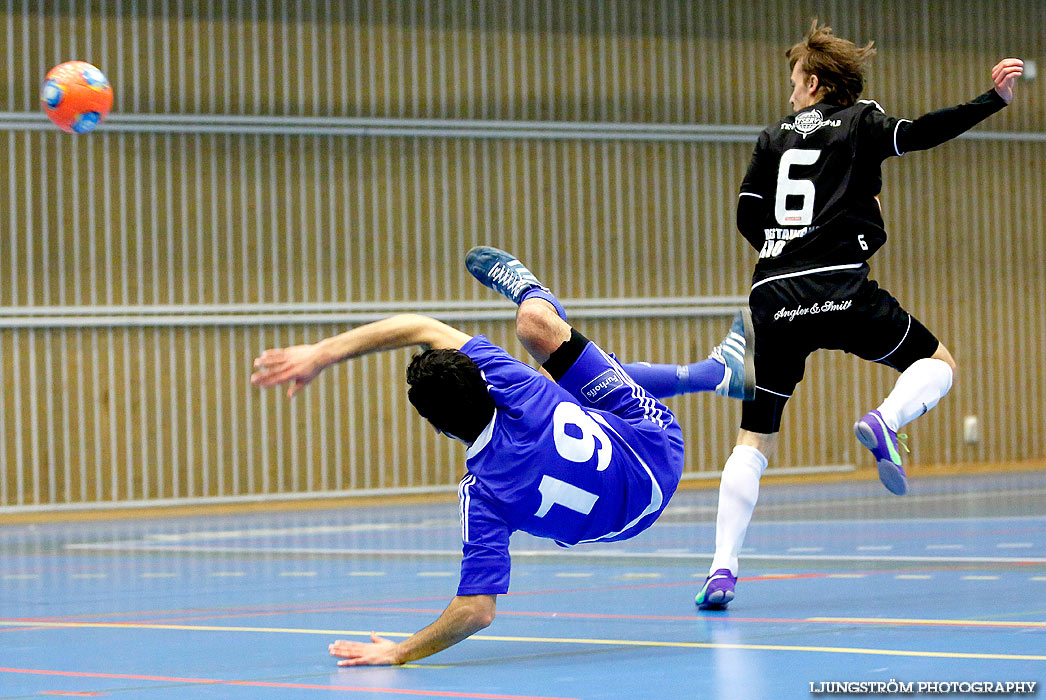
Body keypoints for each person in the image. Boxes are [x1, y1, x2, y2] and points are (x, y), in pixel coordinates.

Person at [250, 246, 755, 665]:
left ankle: (717, 373)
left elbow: (475, 611)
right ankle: (710, 373)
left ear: (436, 427)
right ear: (484, 380)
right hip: (653, 450)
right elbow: (419, 325)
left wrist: (400, 652)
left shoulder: (481, 495)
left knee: (576, 386)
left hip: (619, 523)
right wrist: (321, 353)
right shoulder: (513, 384)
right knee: (540, 330)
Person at [693, 21, 1024, 610]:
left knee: (754, 437)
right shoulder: (863, 121)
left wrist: (787, 244)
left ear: (815, 83)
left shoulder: (771, 137)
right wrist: (990, 100)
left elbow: (747, 217)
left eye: (794, 83)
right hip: (840, 285)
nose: (790, 94)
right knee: (938, 362)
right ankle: (887, 421)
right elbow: (923, 133)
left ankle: (722, 571)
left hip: (774, 295)